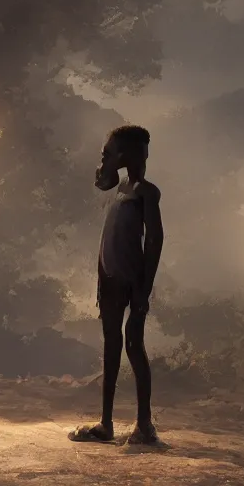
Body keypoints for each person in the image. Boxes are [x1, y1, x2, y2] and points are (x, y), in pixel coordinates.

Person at [71, 124, 164, 446]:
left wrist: (144, 289)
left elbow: (154, 240)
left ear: (126, 155)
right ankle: (106, 423)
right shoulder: (121, 189)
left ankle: (145, 424)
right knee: (111, 346)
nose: (104, 157)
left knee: (133, 345)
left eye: (109, 152)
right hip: (108, 278)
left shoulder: (145, 192)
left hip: (131, 278)